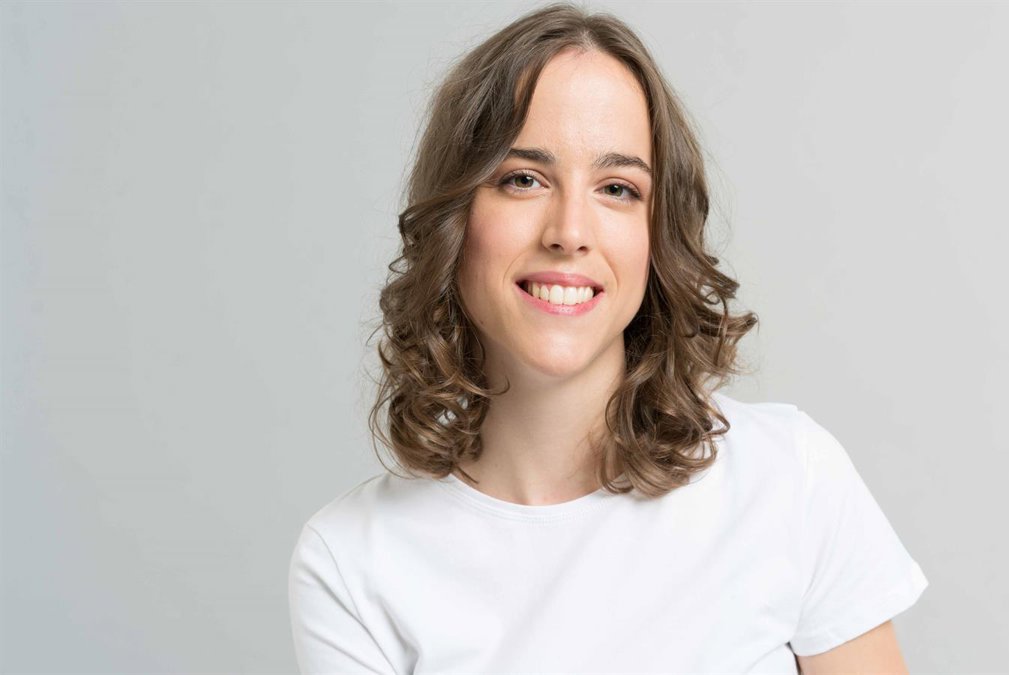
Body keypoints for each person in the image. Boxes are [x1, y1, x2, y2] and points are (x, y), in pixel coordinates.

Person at [288, 3, 929, 673]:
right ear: (454, 217)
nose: (570, 231)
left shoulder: (787, 479)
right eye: (523, 179)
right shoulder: (353, 562)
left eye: (617, 188)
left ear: (658, 235)